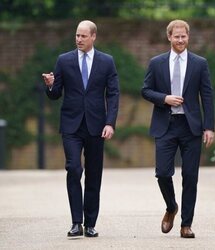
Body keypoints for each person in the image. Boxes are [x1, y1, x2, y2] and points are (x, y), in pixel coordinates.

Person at [42, 20, 119, 238]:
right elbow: (56, 93)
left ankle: (90, 224)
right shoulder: (64, 60)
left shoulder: (107, 62)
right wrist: (50, 84)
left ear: (93, 36)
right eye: (77, 35)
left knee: (94, 175)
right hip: (71, 125)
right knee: (74, 168)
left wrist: (110, 122)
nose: (78, 39)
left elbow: (113, 94)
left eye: (83, 36)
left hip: (97, 126)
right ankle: (76, 222)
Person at [141, 20, 214, 238]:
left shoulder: (200, 63)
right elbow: (145, 90)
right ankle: (171, 207)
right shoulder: (157, 63)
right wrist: (164, 98)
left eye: (184, 36)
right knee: (162, 173)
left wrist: (208, 127)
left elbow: (207, 96)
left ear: (188, 37)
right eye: (176, 36)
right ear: (169, 37)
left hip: (191, 127)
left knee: (190, 177)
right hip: (166, 125)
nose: (180, 40)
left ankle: (186, 225)